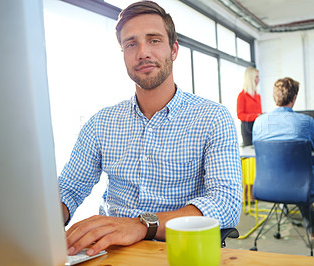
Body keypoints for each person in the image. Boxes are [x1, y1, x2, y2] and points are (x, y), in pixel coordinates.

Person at [60, 1, 242, 257]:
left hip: (180, 252)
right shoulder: (101, 122)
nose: (142, 52)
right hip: (109, 253)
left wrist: (141, 225)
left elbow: (226, 203)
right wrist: (36, 220)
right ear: (123, 53)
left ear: (174, 50)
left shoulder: (212, 117)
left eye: (154, 40)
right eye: (131, 44)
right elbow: (68, 188)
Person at [252, 77, 314, 241]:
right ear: (294, 98)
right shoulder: (306, 122)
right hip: (299, 185)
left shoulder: (258, 122)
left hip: (266, 187)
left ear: (274, 97)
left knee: (299, 180)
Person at [237, 67, 262, 146]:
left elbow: (259, 112)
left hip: (257, 126)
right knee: (249, 153)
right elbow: (240, 115)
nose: (259, 79)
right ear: (251, 78)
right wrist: (255, 116)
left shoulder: (258, 96)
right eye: (257, 77)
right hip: (247, 126)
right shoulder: (242, 96)